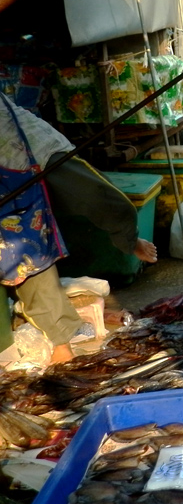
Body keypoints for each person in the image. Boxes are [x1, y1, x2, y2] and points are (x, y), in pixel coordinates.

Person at [0, 95, 157, 364]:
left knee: (29, 254)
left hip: (19, 157)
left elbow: (99, 196)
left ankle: (61, 343)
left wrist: (127, 235)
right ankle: (7, 353)